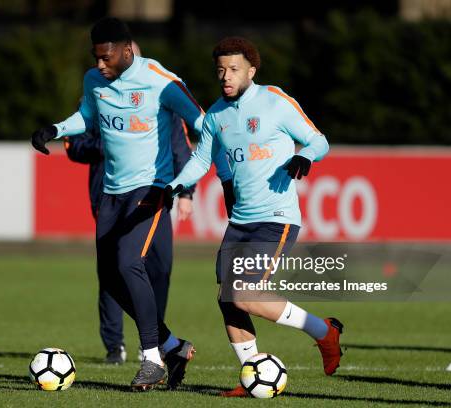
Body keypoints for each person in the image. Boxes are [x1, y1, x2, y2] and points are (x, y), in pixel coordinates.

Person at [31, 18, 232, 390]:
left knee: (128, 262)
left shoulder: (160, 79)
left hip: (151, 188)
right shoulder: (95, 81)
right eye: (96, 58)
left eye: (106, 58)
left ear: (126, 50)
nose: (100, 65)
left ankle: (151, 358)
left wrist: (185, 181)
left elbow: (203, 124)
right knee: (110, 276)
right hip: (110, 193)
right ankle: (172, 346)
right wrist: (55, 130)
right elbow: (87, 117)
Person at [167, 37, 343, 397]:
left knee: (243, 294)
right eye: (220, 70)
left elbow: (319, 141)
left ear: (251, 70)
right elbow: (202, 160)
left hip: (277, 217)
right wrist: (171, 186)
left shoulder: (275, 100)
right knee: (227, 297)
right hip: (240, 220)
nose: (225, 76)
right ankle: (252, 375)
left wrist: (305, 156)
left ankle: (324, 331)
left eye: (233, 69)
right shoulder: (215, 115)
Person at [65, 41, 196, 363]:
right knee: (115, 271)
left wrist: (186, 191)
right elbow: (74, 145)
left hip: (153, 193)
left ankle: (154, 343)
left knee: (158, 268)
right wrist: (107, 143)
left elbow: (181, 142)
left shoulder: (157, 94)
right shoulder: (96, 93)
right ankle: (116, 347)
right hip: (109, 196)